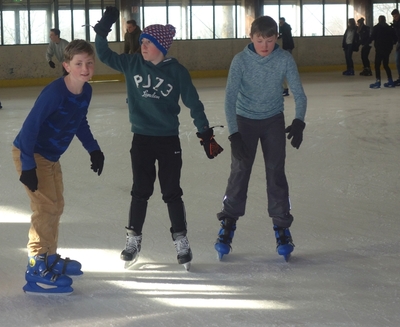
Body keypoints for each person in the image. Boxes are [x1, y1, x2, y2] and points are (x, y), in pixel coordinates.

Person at [93, 7, 224, 271]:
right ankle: (133, 239)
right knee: (140, 191)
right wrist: (102, 32)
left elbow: (193, 103)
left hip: (167, 140)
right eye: (141, 41)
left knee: (171, 192)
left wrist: (205, 132)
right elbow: (104, 54)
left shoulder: (177, 72)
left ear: (160, 46)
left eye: (147, 43)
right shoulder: (132, 64)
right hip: (141, 139)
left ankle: (181, 240)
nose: (142, 46)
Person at [12, 39, 105, 295]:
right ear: (66, 65)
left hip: (51, 157)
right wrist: (28, 166)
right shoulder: (55, 93)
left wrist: (93, 149)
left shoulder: (85, 91)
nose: (84, 68)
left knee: (56, 206)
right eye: (78, 64)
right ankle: (36, 265)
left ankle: (49, 257)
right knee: (45, 207)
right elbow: (31, 128)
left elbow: (79, 121)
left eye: (89, 63)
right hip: (31, 153)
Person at [216, 16, 307, 263]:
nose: (264, 45)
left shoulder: (284, 59)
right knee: (240, 170)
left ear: (276, 38)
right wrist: (234, 133)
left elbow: (299, 93)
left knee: (276, 171)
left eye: (269, 40)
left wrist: (299, 120)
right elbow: (229, 98)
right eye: (259, 40)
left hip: (273, 121)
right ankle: (227, 224)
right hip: (244, 121)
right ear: (251, 38)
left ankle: (282, 228)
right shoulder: (241, 61)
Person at [369, 15, 397, 89]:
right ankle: (390, 81)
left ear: (379, 20)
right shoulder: (389, 28)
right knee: (385, 65)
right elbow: (395, 38)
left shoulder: (376, 28)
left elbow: (372, 37)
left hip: (379, 49)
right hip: (387, 49)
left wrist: (365, 42)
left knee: (377, 65)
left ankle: (378, 81)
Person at [278, 17, 294, 96]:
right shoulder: (283, 27)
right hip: (286, 45)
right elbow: (282, 35)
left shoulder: (285, 27)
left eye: (280, 21)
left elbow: (284, 35)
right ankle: (284, 89)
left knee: (287, 57)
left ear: (283, 21)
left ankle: (285, 89)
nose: (280, 22)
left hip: (288, 45)